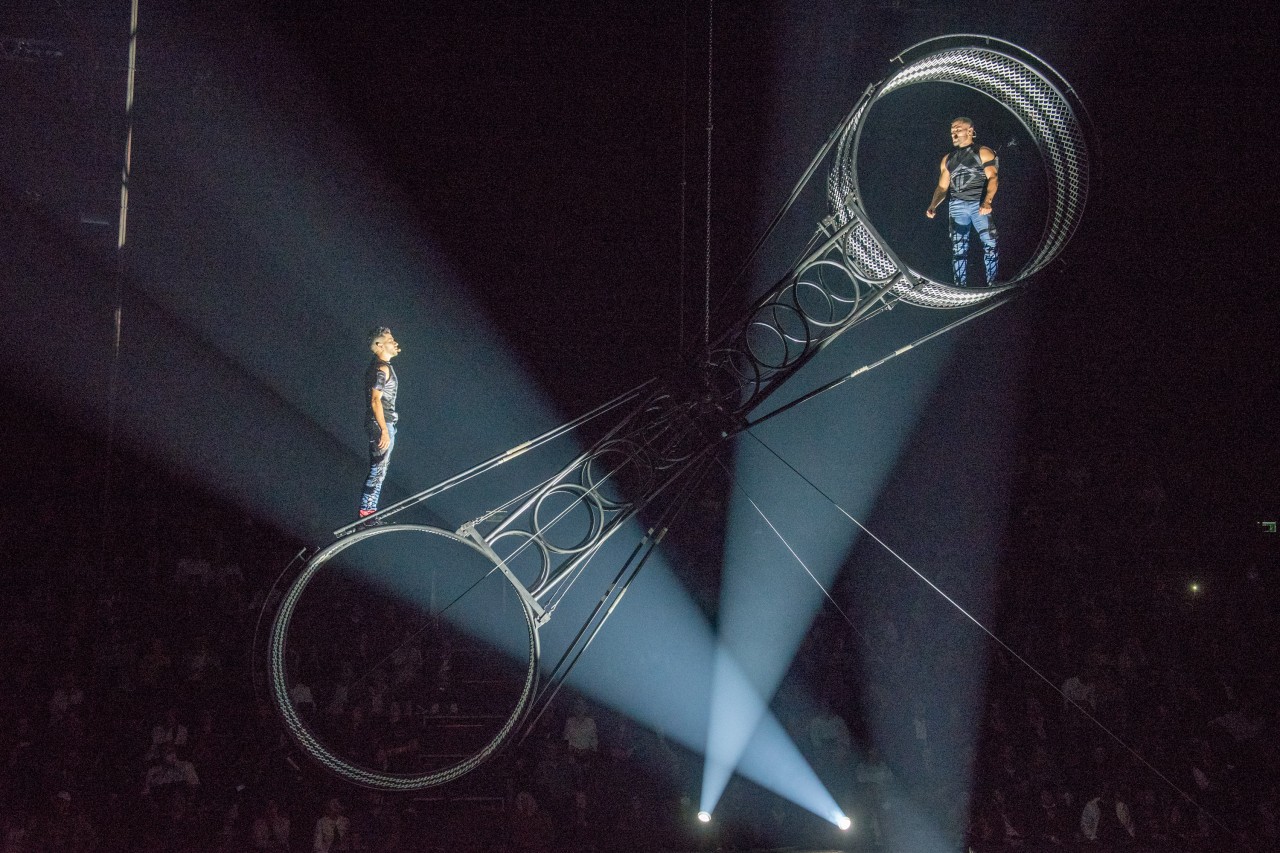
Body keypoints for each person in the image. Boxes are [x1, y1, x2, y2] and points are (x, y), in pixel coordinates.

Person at [926, 117, 1000, 287]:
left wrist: (987, 201)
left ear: (970, 130)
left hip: (977, 203)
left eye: (958, 129)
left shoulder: (983, 152)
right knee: (958, 247)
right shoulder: (948, 159)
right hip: (957, 206)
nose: (954, 133)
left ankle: (993, 281)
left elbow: (993, 178)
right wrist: (933, 205)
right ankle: (960, 285)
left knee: (990, 242)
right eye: (952, 130)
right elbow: (942, 187)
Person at [358, 327, 402, 519]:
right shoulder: (381, 368)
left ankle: (369, 513)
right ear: (378, 345)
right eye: (390, 339)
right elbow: (376, 400)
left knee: (380, 471)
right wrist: (384, 430)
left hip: (383, 424)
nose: (394, 342)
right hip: (380, 425)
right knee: (378, 471)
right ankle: (366, 514)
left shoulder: (382, 366)